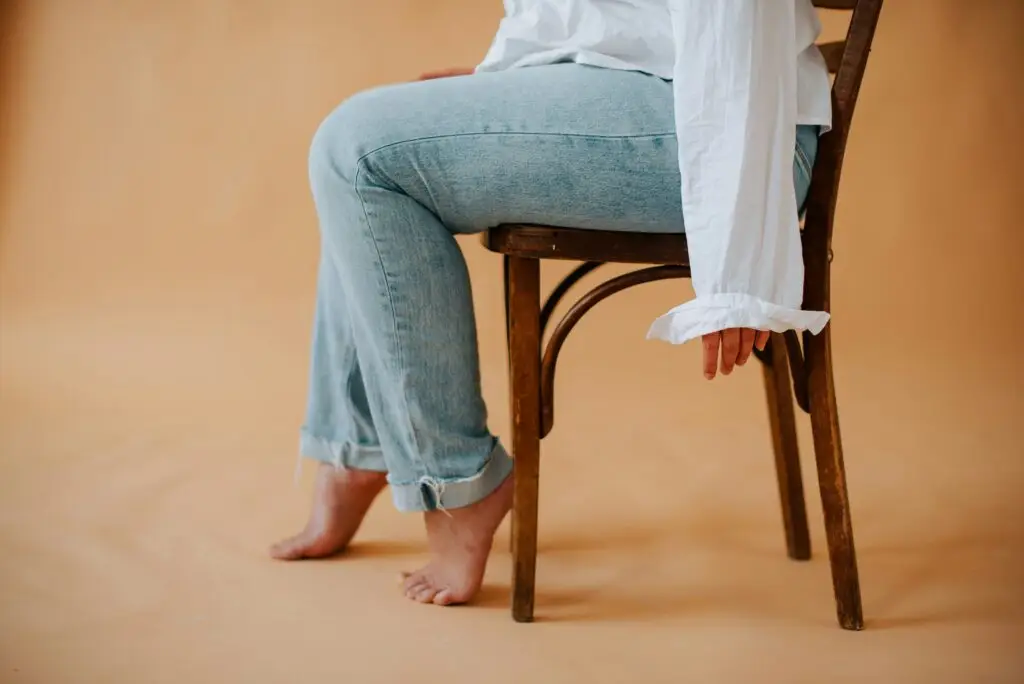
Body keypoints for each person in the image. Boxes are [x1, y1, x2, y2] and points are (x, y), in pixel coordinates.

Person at [270, 0, 833, 607]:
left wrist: (738, 267)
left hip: (719, 117)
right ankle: (362, 448)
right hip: (626, 83)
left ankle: (454, 481)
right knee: (366, 146)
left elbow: (737, 24)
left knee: (357, 151)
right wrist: (510, 82)